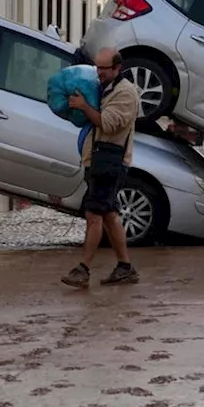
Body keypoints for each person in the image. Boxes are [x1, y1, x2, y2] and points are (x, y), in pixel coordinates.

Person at [61, 48, 142, 288]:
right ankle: (125, 267)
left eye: (104, 69)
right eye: (97, 68)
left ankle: (83, 269)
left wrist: (84, 106)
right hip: (98, 160)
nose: (100, 73)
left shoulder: (126, 94)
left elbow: (107, 124)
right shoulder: (105, 87)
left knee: (93, 214)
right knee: (109, 214)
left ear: (117, 68)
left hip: (110, 163)